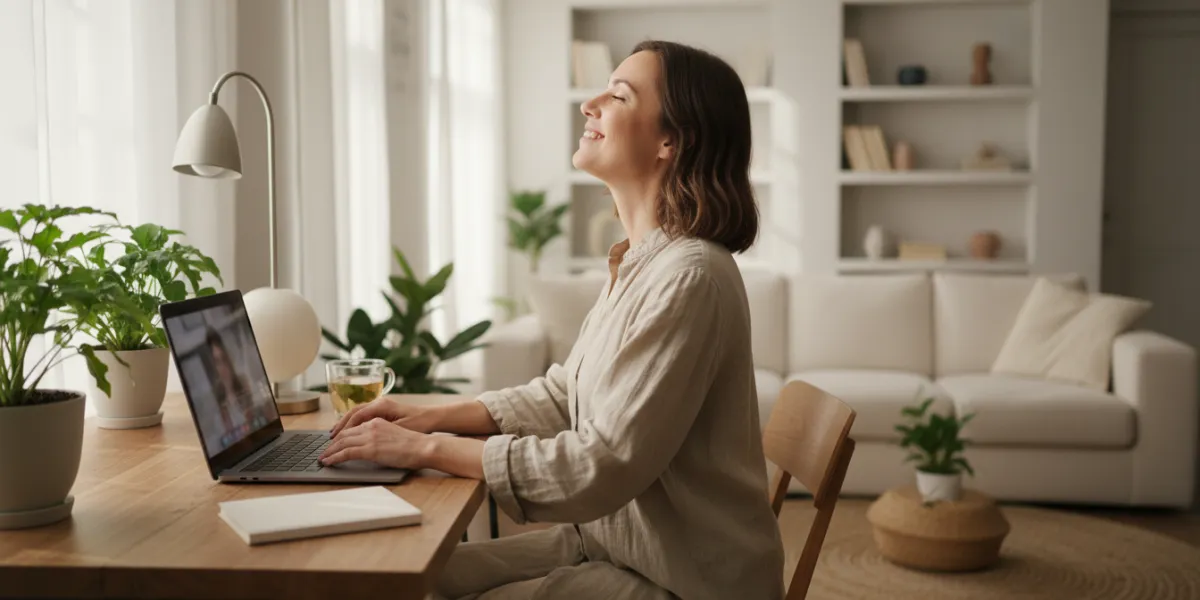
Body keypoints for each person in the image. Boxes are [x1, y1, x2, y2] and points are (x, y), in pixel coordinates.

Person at [321, 40, 785, 599]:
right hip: (620, 546)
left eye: (618, 96)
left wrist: (423, 449)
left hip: (683, 580)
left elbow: (601, 464)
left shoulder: (689, 278)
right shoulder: (641, 263)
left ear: (672, 141)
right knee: (407, 573)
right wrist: (429, 419)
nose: (590, 104)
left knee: (412, 587)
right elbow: (567, 394)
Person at [206, 327, 254, 448]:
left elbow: (256, 422)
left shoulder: (243, 383)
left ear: (229, 358)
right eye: (217, 362)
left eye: (224, 359)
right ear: (214, 366)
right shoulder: (216, 402)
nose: (222, 367)